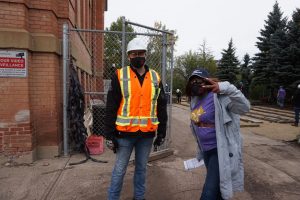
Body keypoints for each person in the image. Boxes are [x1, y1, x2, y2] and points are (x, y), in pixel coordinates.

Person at [103, 37, 168, 200]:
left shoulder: (155, 78)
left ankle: (139, 197)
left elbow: (161, 106)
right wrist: (109, 134)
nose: (137, 56)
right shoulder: (119, 75)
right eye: (133, 54)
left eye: (140, 53)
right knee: (119, 170)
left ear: (145, 55)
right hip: (124, 135)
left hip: (146, 135)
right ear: (128, 56)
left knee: (141, 169)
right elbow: (111, 107)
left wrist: (162, 132)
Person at [185, 68, 250, 200]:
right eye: (193, 81)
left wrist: (225, 87)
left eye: (199, 80)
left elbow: (245, 107)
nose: (195, 83)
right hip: (206, 151)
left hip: (220, 150)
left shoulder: (219, 97)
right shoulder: (195, 100)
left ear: (208, 81)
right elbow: (196, 126)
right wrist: (200, 151)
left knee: (208, 192)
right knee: (218, 188)